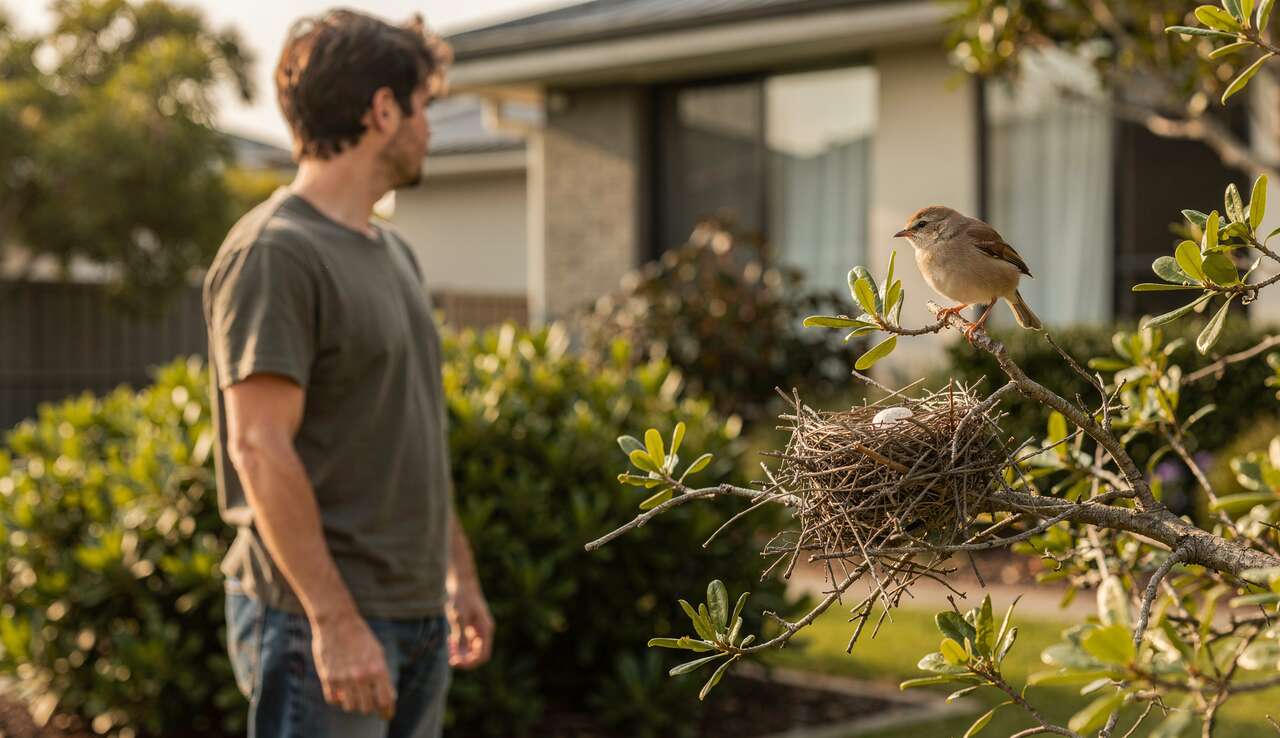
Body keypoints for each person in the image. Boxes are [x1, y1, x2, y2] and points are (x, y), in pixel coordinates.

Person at [201, 9, 492, 738]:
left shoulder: (394, 254)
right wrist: (334, 621)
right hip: (321, 624)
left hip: (415, 612)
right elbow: (258, 447)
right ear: (383, 109)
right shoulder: (275, 253)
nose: (430, 125)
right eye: (424, 105)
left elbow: (408, 428)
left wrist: (457, 573)